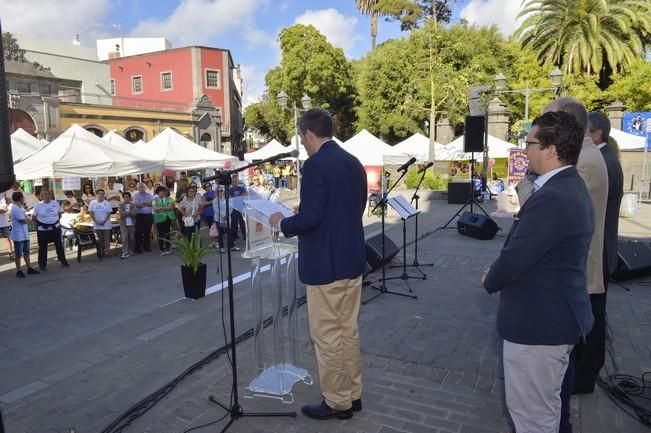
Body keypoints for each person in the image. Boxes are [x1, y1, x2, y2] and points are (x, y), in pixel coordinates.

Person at [482, 111, 595, 432]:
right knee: (543, 412)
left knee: (533, 418)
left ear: (550, 149)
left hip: (539, 328)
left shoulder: (555, 196)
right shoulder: (567, 187)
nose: (525, 149)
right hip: (552, 320)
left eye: (529, 142)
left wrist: (491, 278)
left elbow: (517, 255)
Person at [269, 108, 367, 420]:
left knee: (327, 336)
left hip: (326, 266)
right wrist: (310, 211)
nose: (303, 142)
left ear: (309, 134)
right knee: (348, 331)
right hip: (352, 259)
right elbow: (349, 207)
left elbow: (310, 220)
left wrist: (283, 222)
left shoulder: (315, 166)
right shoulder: (352, 162)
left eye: (301, 137)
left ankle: (337, 402)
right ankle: (354, 393)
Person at [574, 112, 624, 394]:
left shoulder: (602, 161)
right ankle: (586, 371)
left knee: (593, 316)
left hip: (600, 250)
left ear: (597, 135)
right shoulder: (606, 159)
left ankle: (585, 376)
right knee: (594, 313)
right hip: (603, 248)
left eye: (584, 133)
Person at [32, 189, 69, 270]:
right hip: (43, 230)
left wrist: (54, 222)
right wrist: (41, 224)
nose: (47, 195)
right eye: (45, 194)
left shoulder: (55, 203)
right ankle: (42, 265)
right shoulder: (38, 205)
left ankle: (63, 261)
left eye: (49, 194)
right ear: (42, 196)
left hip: (55, 228)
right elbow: (33, 218)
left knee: (59, 245)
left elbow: (59, 214)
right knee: (43, 247)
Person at [9, 191, 39, 278]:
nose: (24, 199)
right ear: (20, 198)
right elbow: (23, 220)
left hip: (24, 234)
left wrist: (27, 218)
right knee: (18, 254)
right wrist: (29, 219)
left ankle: (29, 268)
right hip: (18, 236)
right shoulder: (15, 208)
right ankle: (19, 270)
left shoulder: (20, 207)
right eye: (23, 197)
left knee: (26, 252)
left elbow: (25, 219)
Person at [89, 189, 114, 258]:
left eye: (102, 194)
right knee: (100, 239)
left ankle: (107, 252)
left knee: (106, 239)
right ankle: (101, 252)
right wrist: (95, 221)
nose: (101, 195)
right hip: (97, 224)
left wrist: (104, 221)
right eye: (99, 193)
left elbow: (109, 213)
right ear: (96, 194)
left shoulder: (107, 203)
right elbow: (91, 212)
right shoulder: (92, 203)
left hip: (106, 224)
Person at [153, 186, 176, 254]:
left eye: (163, 191)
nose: (162, 193)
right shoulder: (154, 200)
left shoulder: (170, 199)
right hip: (159, 218)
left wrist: (160, 208)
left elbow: (170, 207)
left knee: (167, 233)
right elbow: (155, 208)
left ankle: (168, 247)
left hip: (167, 218)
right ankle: (161, 248)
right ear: (158, 193)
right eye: (160, 192)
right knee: (160, 233)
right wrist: (165, 208)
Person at [133, 182, 154, 253]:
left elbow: (152, 203)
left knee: (147, 232)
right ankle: (138, 248)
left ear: (145, 187)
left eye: (142, 187)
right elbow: (137, 205)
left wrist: (143, 204)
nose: (141, 188)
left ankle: (147, 246)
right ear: (137, 188)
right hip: (139, 215)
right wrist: (146, 203)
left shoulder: (149, 195)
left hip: (148, 215)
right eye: (139, 187)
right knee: (138, 232)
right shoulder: (135, 195)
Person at [213, 187, 235, 252]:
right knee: (220, 234)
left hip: (227, 218)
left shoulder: (228, 198)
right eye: (218, 191)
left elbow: (231, 207)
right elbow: (216, 209)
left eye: (221, 191)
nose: (220, 192)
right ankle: (221, 247)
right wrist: (223, 215)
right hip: (219, 219)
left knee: (229, 232)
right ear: (216, 193)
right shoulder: (215, 200)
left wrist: (227, 214)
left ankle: (231, 246)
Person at [229, 173, 247, 243]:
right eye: (233, 181)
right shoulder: (230, 190)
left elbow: (243, 196)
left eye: (235, 181)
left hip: (241, 209)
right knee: (234, 225)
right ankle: (234, 238)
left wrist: (236, 198)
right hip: (233, 210)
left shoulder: (241, 188)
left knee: (242, 224)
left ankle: (245, 238)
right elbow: (230, 199)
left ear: (237, 181)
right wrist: (238, 197)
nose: (234, 183)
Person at [118, 191, 137, 259]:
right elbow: (121, 214)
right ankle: (125, 252)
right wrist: (129, 213)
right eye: (125, 197)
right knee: (125, 238)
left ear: (130, 198)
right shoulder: (120, 204)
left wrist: (126, 213)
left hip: (131, 223)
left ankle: (131, 250)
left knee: (131, 237)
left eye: (128, 197)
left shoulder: (133, 204)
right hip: (123, 223)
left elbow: (134, 213)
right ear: (123, 198)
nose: (126, 198)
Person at [0, 192, 14, 260]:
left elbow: (6, 209)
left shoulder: (3, 194)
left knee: (7, 238)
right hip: (3, 221)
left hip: (4, 222)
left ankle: (10, 255)